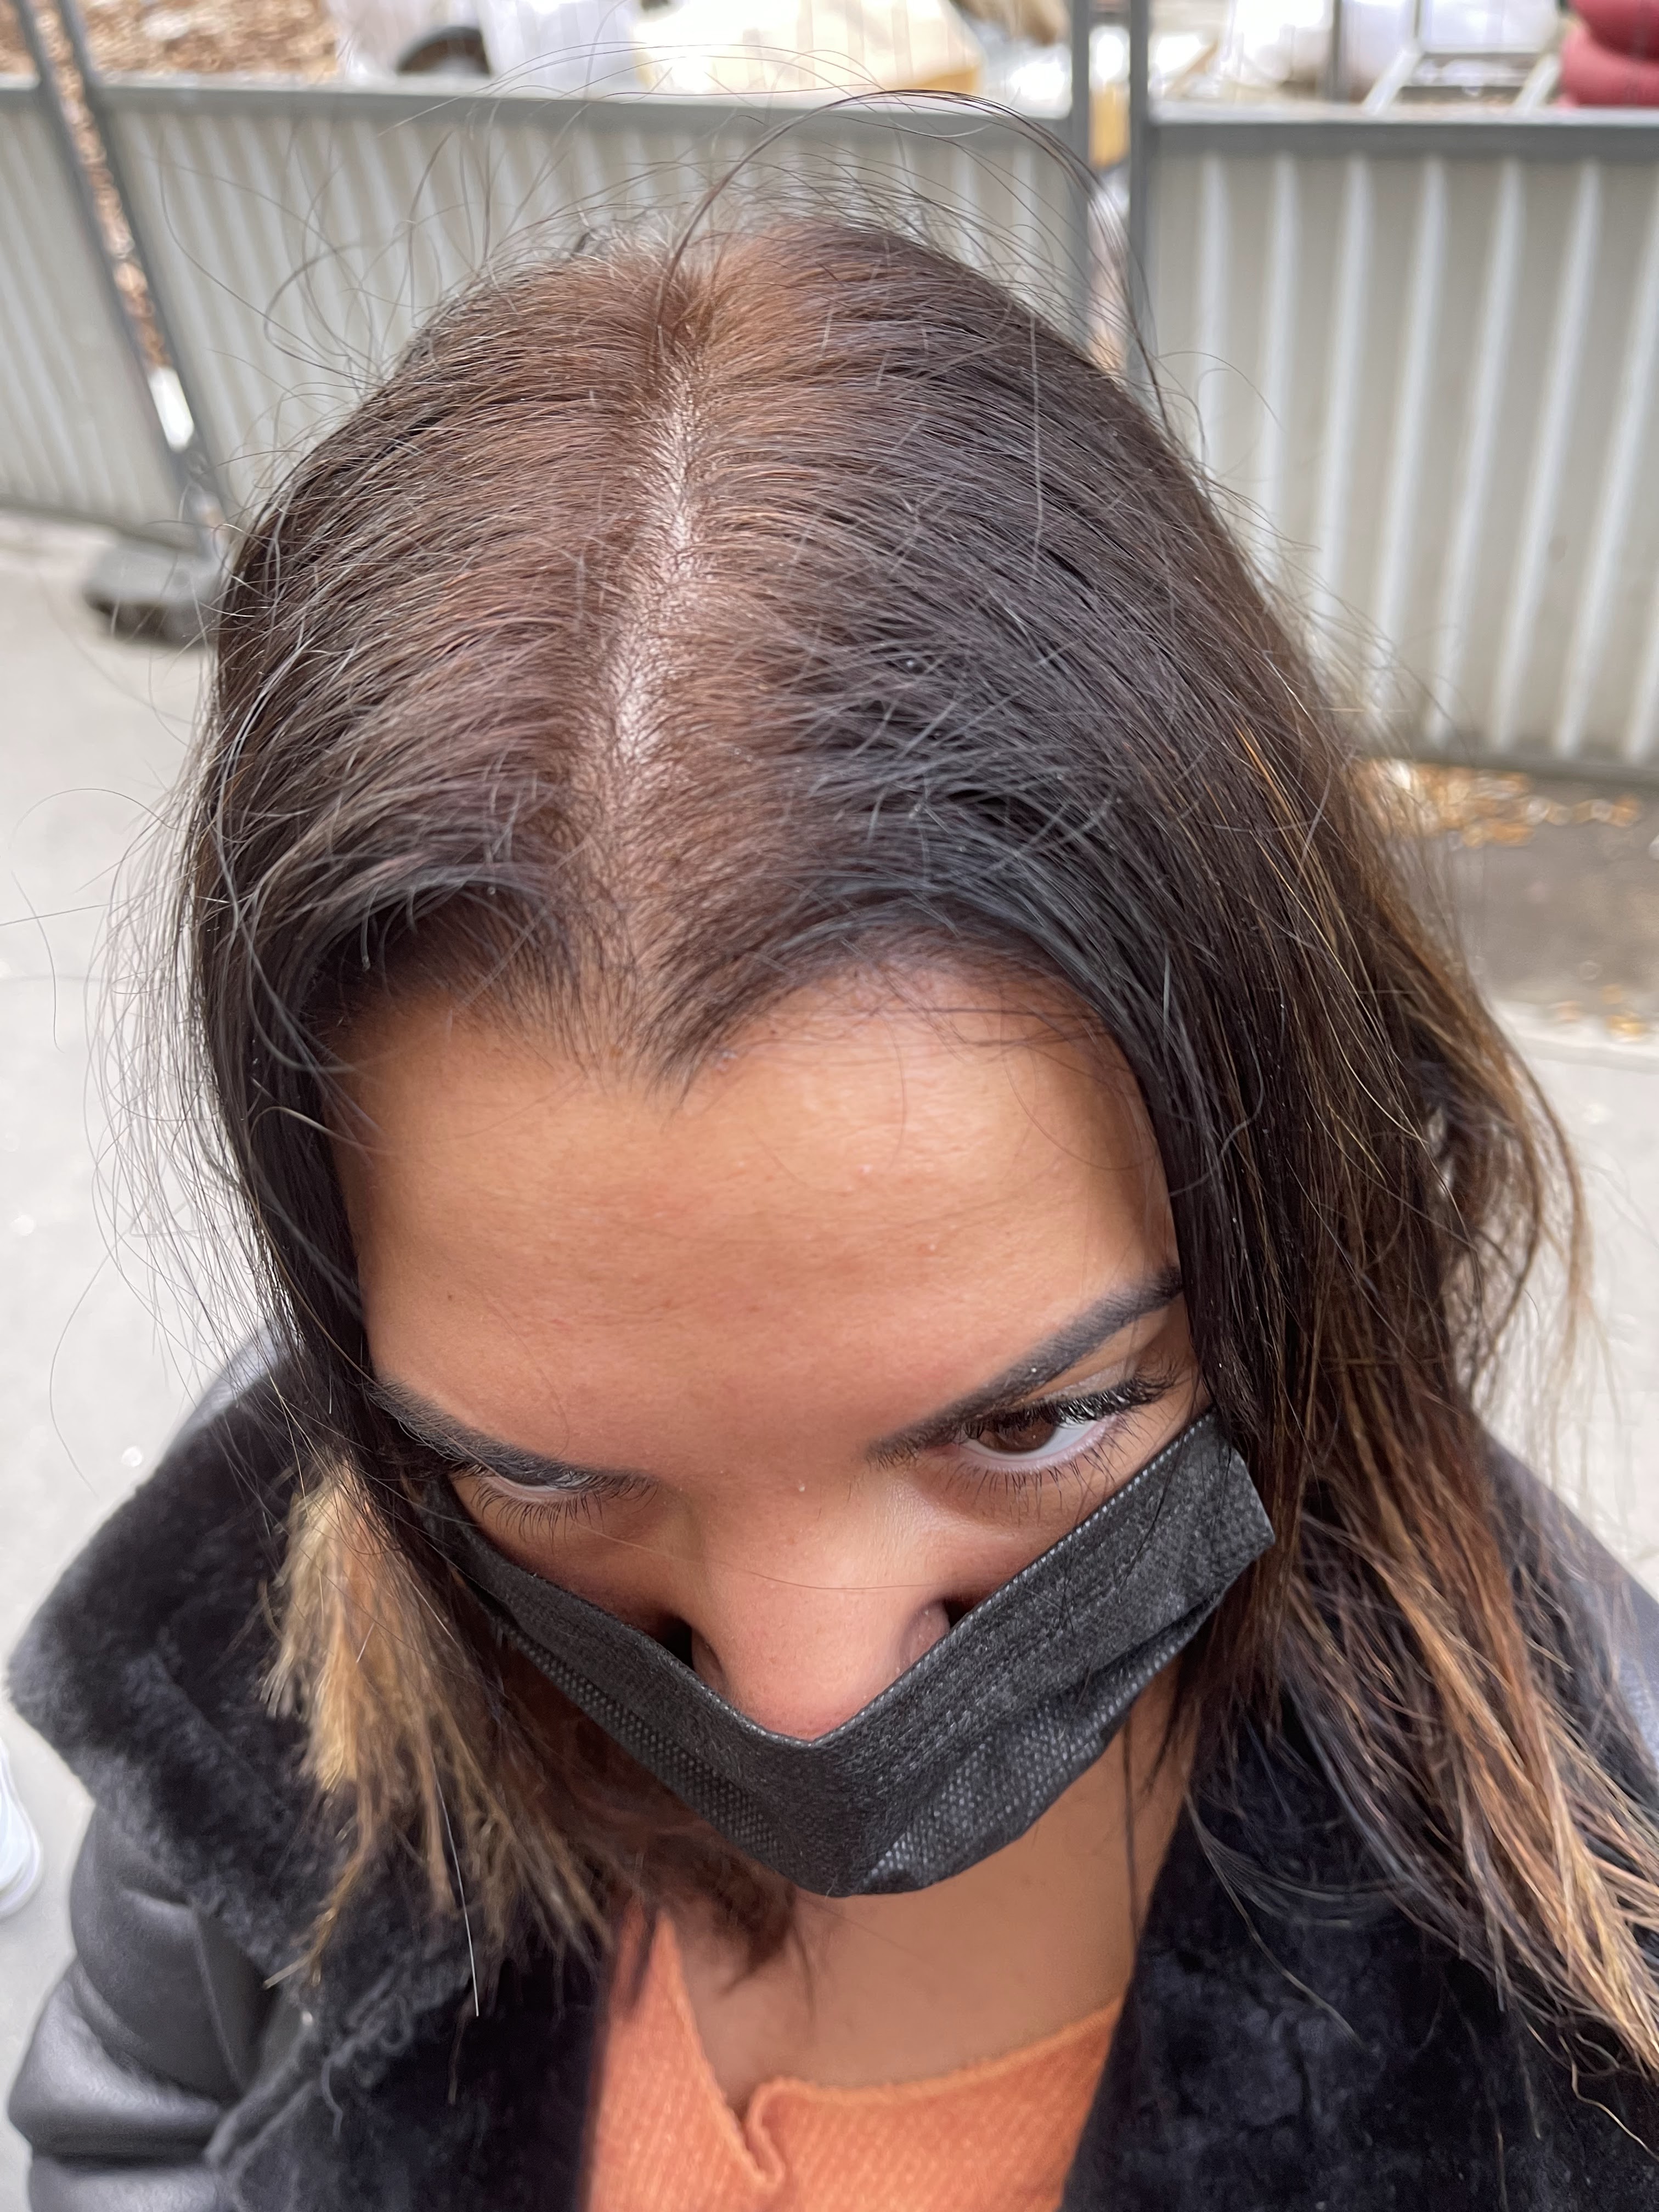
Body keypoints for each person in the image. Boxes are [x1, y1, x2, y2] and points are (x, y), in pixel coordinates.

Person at [8, 218, 1659, 2212]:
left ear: (1299, 1216)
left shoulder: (1587, 1943)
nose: (806, 1707)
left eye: (1029, 1420)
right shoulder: (286, 1607)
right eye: (548, 1474)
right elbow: (137, 2126)